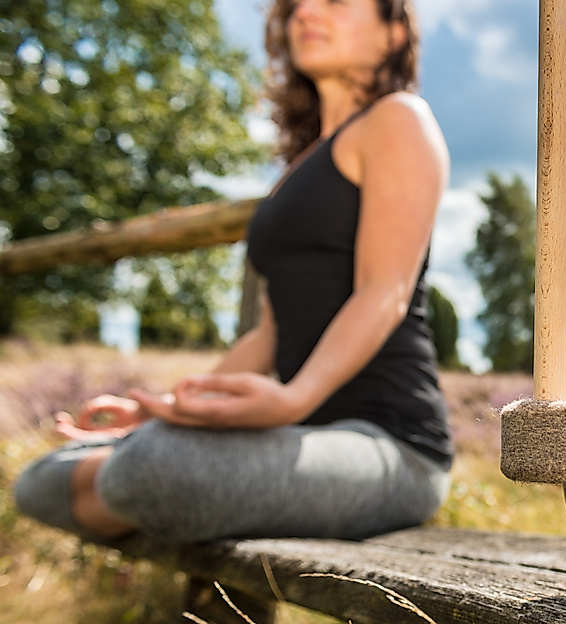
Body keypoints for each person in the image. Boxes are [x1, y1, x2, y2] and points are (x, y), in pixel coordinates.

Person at [14, 0, 453, 543]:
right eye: (296, 6)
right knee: (39, 478)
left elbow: (384, 291)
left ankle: (150, 495)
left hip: (392, 446)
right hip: (297, 434)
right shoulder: (298, 168)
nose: (306, 13)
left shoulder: (399, 118)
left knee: (153, 465)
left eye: (336, 0)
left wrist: (294, 398)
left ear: (392, 33)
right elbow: (270, 331)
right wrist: (169, 410)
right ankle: (150, 491)